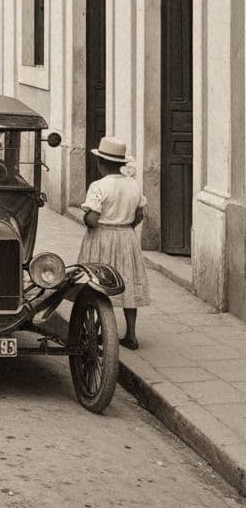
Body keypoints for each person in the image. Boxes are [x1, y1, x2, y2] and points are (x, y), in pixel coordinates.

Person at [79, 136, 149, 349]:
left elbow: (92, 219)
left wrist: (87, 218)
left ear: (101, 163)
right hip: (126, 237)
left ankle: (96, 327)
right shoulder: (133, 185)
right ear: (120, 164)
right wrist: (124, 225)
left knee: (97, 282)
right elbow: (139, 216)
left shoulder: (98, 186)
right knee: (128, 281)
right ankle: (131, 334)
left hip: (102, 237)